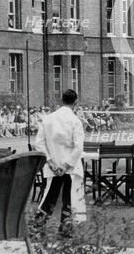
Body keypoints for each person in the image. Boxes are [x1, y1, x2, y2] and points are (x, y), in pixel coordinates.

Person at [35, 89, 86, 233]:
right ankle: (65, 228)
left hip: (54, 165)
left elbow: (39, 143)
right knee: (69, 199)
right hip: (69, 166)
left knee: (50, 197)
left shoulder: (48, 118)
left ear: (61, 100)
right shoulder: (75, 121)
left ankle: (39, 226)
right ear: (76, 102)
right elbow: (78, 147)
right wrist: (65, 166)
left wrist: (50, 162)